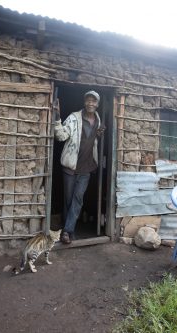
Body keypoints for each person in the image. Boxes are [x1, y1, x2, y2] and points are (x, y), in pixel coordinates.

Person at [53, 90, 105, 244]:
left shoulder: (98, 120)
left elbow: (93, 140)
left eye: (94, 101)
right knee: (68, 200)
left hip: (86, 168)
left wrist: (98, 135)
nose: (91, 103)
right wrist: (57, 118)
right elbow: (61, 136)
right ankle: (68, 228)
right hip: (70, 166)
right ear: (84, 102)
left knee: (78, 199)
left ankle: (67, 232)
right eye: (88, 100)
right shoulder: (74, 118)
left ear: (97, 104)